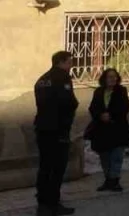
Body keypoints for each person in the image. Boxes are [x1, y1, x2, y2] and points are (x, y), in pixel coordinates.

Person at [34, 51, 79, 216]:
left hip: (42, 128)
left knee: (45, 166)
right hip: (58, 129)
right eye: (69, 62)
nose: (71, 65)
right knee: (57, 167)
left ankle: (43, 203)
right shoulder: (62, 77)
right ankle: (52, 203)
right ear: (61, 62)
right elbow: (68, 102)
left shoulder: (42, 79)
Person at [86, 68, 129, 192]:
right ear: (104, 79)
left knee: (117, 155)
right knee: (104, 156)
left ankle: (115, 180)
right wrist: (100, 115)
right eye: (110, 77)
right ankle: (108, 179)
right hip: (102, 129)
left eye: (114, 76)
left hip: (117, 128)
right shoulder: (98, 92)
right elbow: (92, 108)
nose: (113, 79)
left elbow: (124, 108)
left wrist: (110, 115)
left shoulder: (121, 91)